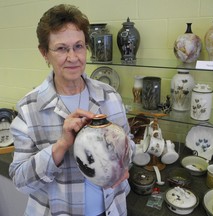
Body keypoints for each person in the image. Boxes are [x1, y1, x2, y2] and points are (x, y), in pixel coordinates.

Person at [9, 4, 135, 216]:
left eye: (78, 46)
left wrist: (123, 166)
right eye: (61, 48)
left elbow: (129, 146)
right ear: (44, 53)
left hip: (112, 209)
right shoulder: (29, 109)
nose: (73, 57)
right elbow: (20, 181)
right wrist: (61, 145)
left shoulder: (109, 96)